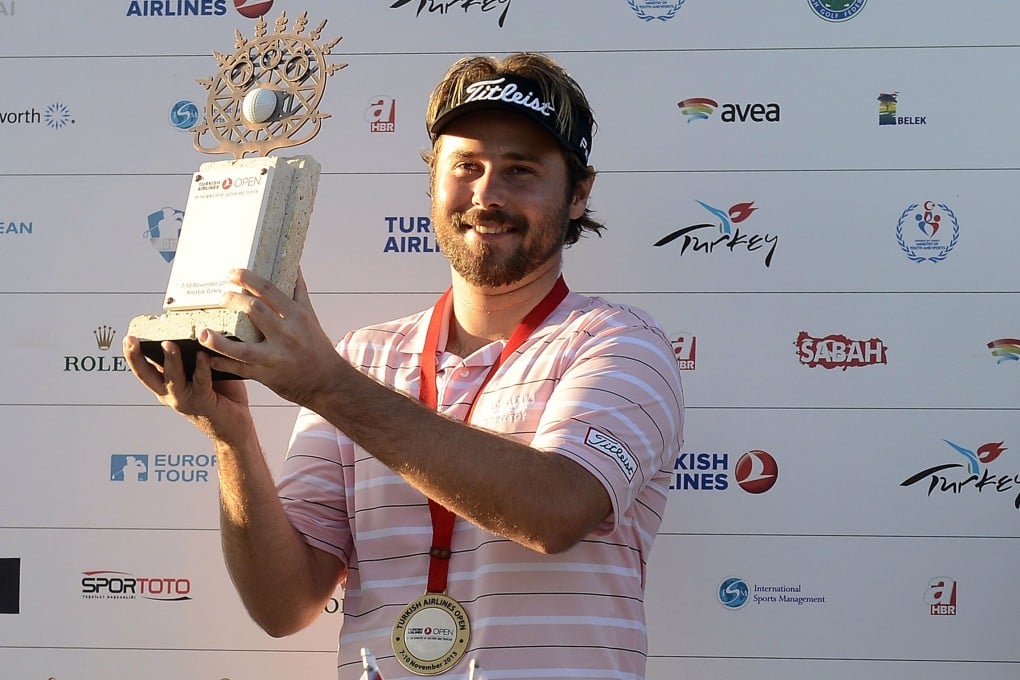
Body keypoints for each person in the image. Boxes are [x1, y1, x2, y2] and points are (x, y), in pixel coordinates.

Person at [124, 52, 684, 679]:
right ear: (433, 181)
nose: (487, 194)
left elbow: (555, 511)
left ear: (578, 194)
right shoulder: (366, 357)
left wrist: (329, 387)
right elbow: (284, 604)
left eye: (521, 170)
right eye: (465, 166)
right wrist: (232, 436)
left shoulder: (621, 344)